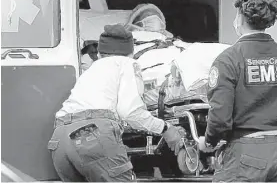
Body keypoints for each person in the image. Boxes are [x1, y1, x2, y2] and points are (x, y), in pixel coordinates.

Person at [198, 0, 277, 182]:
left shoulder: (229, 60)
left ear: (241, 17)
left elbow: (220, 117)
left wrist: (208, 142)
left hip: (245, 155)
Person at [47, 24, 184, 182]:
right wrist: (166, 129)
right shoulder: (127, 64)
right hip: (91, 135)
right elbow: (131, 113)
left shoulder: (90, 71)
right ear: (131, 52)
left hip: (60, 139)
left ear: (98, 53)